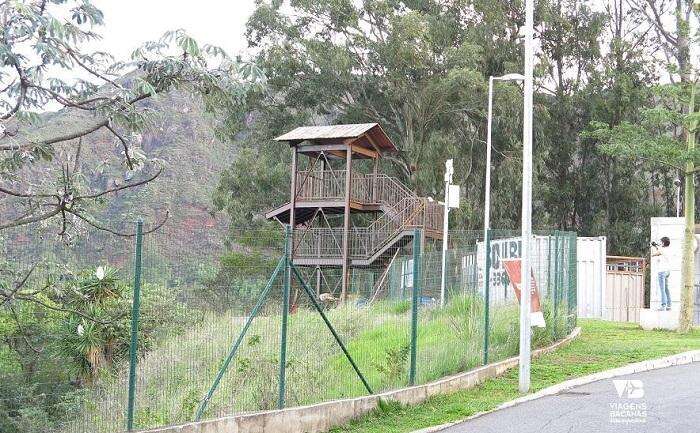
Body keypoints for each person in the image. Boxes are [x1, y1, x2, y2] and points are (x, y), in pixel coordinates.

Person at [651, 237, 671, 311]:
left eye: (661, 242)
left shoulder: (662, 250)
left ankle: (663, 305)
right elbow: (660, 251)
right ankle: (669, 305)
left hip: (662, 271)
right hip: (667, 271)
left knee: (662, 289)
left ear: (663, 243)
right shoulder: (668, 249)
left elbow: (653, 254)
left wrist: (653, 247)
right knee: (666, 289)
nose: (660, 243)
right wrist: (656, 246)